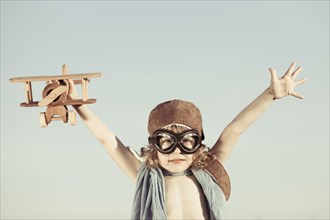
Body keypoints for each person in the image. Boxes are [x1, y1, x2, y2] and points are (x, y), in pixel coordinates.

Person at [66, 62, 306, 219]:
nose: (176, 151)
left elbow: (235, 130)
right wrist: (78, 105)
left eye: (187, 141)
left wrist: (269, 95)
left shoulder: (210, 168)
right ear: (154, 147)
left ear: (198, 143)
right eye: (166, 142)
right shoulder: (146, 175)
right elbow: (108, 141)